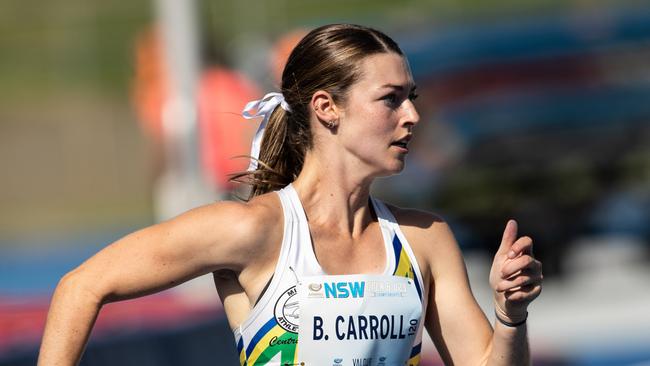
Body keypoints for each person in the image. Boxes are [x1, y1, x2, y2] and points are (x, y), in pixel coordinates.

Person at [38, 24, 543, 365]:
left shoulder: (426, 240)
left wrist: (509, 315)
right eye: (390, 99)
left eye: (412, 98)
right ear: (328, 108)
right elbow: (81, 287)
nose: (412, 116)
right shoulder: (253, 230)